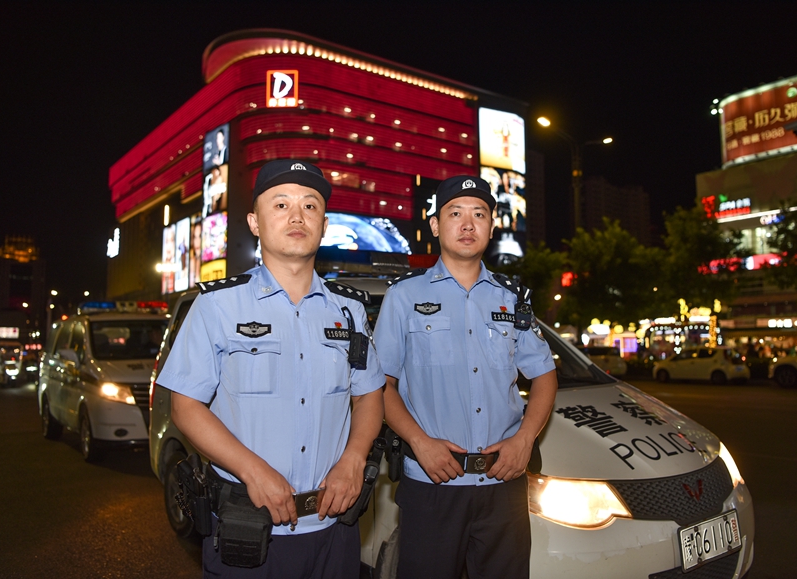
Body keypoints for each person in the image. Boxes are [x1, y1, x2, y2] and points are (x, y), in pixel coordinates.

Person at [156, 159, 385, 578]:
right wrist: (252, 469)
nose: (297, 216)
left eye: (310, 206)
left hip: (334, 529)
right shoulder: (217, 306)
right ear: (255, 222)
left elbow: (369, 392)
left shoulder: (349, 311)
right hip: (248, 529)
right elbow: (185, 406)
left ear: (324, 223)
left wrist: (354, 457)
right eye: (280, 205)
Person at [373, 175, 558, 579]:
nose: (468, 224)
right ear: (436, 225)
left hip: (503, 482)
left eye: (479, 214)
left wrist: (524, 440)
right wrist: (419, 443)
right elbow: (380, 384)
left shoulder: (512, 298)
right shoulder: (404, 296)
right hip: (432, 482)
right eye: (455, 213)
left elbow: (544, 374)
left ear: (492, 226)